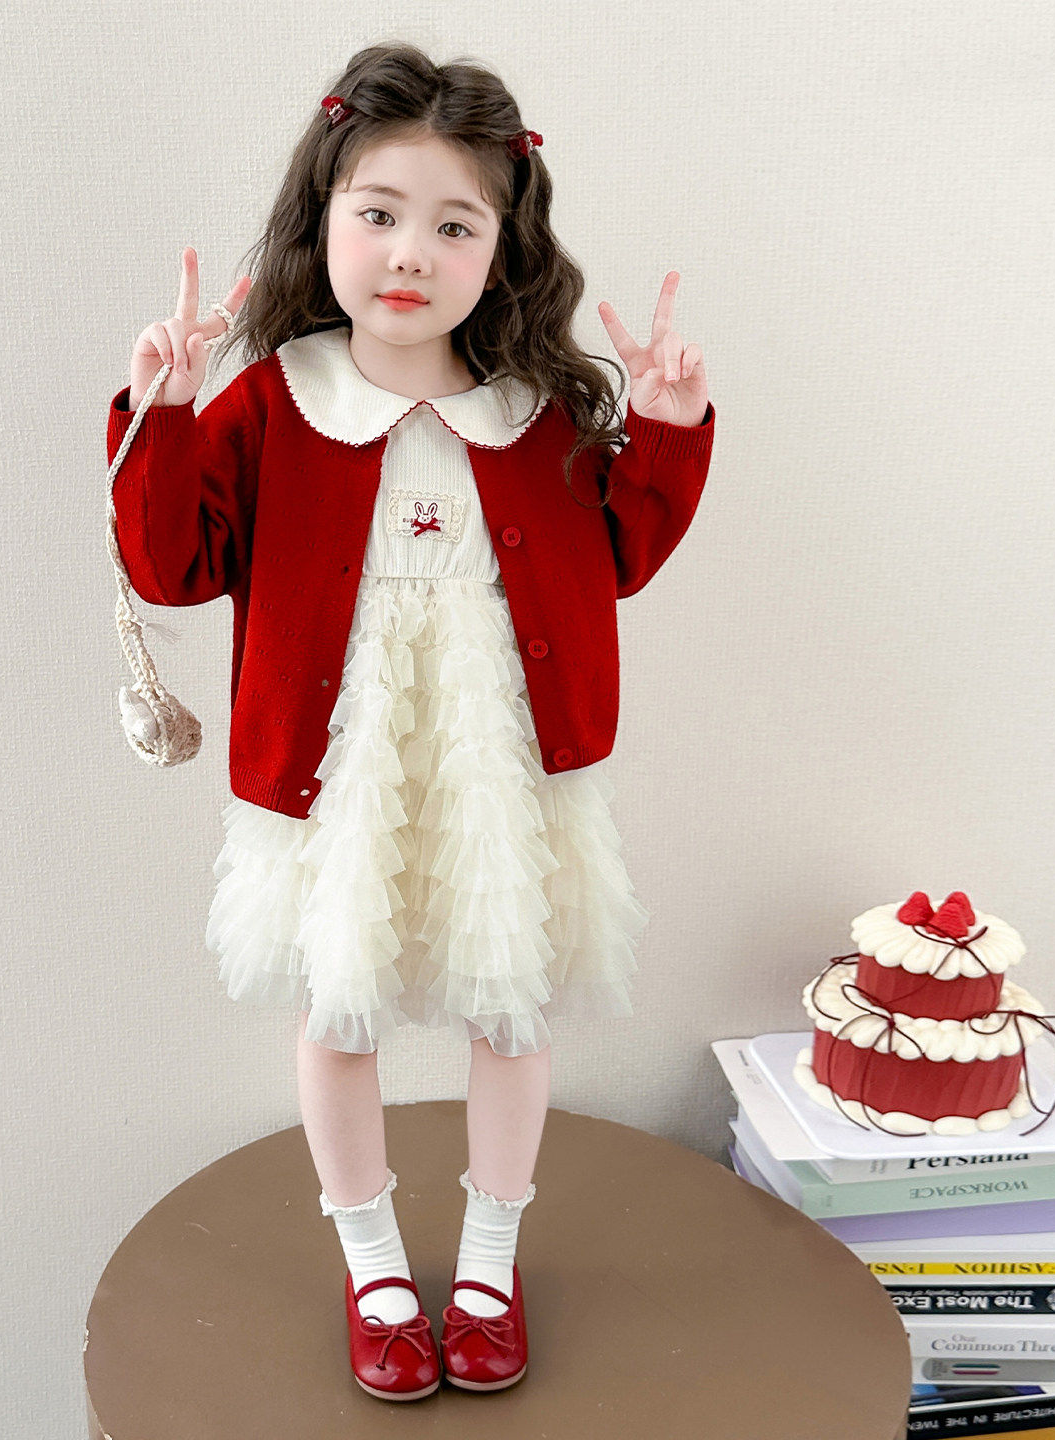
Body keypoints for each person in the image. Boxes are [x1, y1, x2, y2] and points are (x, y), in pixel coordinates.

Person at [105, 41, 715, 1401]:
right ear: (321, 214)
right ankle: (375, 1265)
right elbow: (172, 565)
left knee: (512, 1009)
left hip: (503, 759)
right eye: (378, 212)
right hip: (338, 767)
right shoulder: (274, 399)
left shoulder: (537, 410)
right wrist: (166, 411)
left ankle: (490, 1263)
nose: (408, 254)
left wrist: (669, 429)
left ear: (505, 251)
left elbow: (617, 557)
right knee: (342, 1007)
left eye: (455, 226)